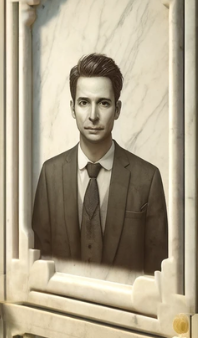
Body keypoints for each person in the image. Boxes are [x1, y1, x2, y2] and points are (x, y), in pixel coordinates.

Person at [32, 53, 168, 275]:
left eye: (103, 103)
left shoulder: (147, 178)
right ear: (72, 108)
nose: (93, 115)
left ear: (117, 109)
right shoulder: (51, 173)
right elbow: (40, 262)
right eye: (84, 102)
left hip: (126, 308)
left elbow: (157, 270)